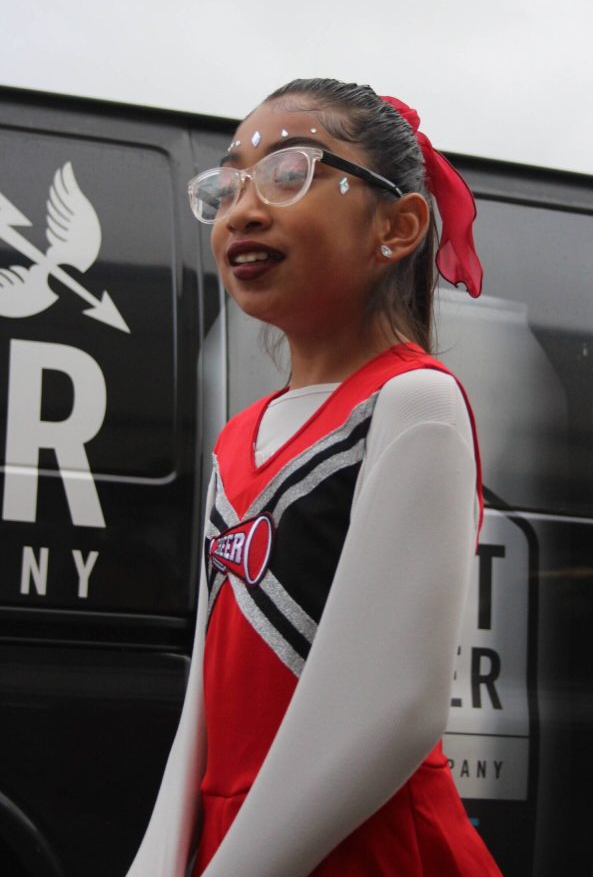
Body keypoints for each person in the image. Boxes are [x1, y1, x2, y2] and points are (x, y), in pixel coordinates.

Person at [125, 78, 501, 876]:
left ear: (397, 227)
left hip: (366, 848)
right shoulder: (236, 440)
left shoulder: (415, 404)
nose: (243, 210)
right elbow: (204, 703)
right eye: (228, 186)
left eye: (288, 174)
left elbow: (394, 707)